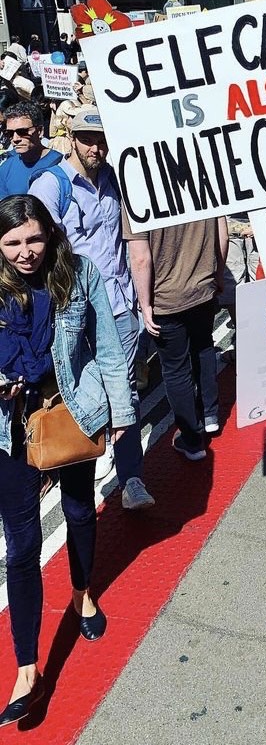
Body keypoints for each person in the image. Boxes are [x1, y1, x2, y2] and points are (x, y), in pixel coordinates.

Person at [0, 195, 134, 728]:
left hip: (70, 410)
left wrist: (121, 412)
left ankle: (81, 593)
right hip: (9, 430)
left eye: (34, 238)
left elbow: (107, 348)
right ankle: (27, 668)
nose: (25, 252)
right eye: (13, 242)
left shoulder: (78, 274)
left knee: (79, 510)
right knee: (21, 546)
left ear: (49, 234)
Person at [29, 106, 153, 509]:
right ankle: (82, 455)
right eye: (87, 139)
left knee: (125, 390)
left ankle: (132, 478)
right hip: (73, 312)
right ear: (71, 139)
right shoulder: (51, 185)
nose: (95, 148)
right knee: (79, 390)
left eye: (101, 141)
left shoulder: (115, 179)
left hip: (118, 305)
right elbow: (35, 246)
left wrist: (140, 302)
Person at [124, 214, 228, 460]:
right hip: (203, 287)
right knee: (204, 348)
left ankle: (192, 440)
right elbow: (222, 234)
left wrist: (145, 305)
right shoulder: (201, 186)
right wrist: (218, 275)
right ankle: (210, 414)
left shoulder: (136, 195)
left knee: (175, 369)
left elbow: (140, 258)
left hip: (166, 297)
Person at [0, 102, 63, 199]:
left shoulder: (60, 164)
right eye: (9, 133)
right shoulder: (6, 168)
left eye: (22, 132)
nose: (15, 139)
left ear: (40, 131)